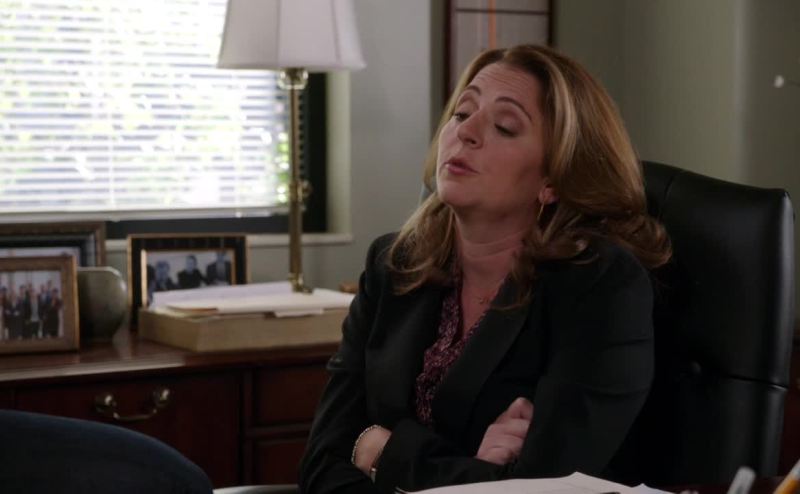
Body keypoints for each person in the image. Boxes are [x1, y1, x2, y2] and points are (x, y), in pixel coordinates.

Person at [299, 45, 671, 494]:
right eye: (461, 113)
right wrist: (469, 468)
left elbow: (542, 488)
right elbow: (321, 462)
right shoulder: (393, 264)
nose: (466, 131)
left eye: (504, 126)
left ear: (553, 180)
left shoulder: (601, 285)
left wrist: (381, 452)